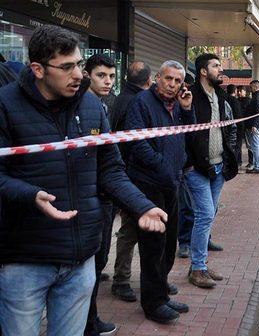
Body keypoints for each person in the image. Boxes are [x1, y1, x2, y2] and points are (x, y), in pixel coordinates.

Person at [0, 25, 167, 335]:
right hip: (25, 259)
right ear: (37, 69)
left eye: (78, 63)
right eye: (67, 67)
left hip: (81, 260)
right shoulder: (5, 105)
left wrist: (142, 207)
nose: (79, 74)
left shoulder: (91, 106)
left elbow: (110, 169)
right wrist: (29, 194)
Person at [124, 60, 194, 323]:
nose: (172, 85)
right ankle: (152, 303)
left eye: (177, 81)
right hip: (148, 183)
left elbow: (189, 133)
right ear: (157, 78)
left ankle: (161, 292)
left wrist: (187, 110)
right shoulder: (141, 102)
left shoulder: (177, 105)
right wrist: (164, 165)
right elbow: (137, 143)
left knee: (169, 241)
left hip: (172, 183)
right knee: (153, 245)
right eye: (168, 79)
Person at [185, 53, 238, 289]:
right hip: (197, 168)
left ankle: (201, 264)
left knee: (210, 212)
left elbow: (231, 124)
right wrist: (188, 162)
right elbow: (185, 132)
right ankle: (197, 268)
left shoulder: (220, 95)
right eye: (216, 66)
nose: (221, 69)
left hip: (219, 165)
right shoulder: (190, 97)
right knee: (205, 214)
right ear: (203, 71)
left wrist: (232, 154)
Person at [110, 61, 154, 302]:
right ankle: (121, 280)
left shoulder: (121, 98)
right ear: (148, 82)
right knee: (130, 230)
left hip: (127, 174)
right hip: (131, 175)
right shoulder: (136, 102)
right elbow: (132, 143)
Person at [82, 53, 119, 336]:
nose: (107, 82)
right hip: (90, 196)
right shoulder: (81, 106)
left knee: (100, 259)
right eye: (101, 76)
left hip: (105, 194)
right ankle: (88, 323)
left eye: (111, 76)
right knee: (92, 262)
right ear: (87, 74)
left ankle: (89, 319)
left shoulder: (104, 104)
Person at [246, 80, 259, 173]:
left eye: (251, 87)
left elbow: (258, 112)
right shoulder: (258, 96)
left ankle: (258, 166)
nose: (250, 89)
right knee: (254, 147)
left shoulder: (258, 97)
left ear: (255, 87)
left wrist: (254, 124)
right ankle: (256, 165)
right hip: (256, 125)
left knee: (255, 147)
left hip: (255, 125)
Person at [226, 84, 244, 168]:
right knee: (237, 146)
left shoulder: (224, 100)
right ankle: (235, 163)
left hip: (226, 126)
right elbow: (238, 115)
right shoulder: (235, 102)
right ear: (235, 91)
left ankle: (236, 161)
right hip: (236, 127)